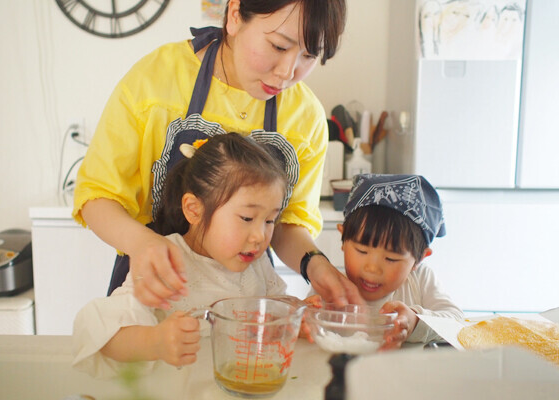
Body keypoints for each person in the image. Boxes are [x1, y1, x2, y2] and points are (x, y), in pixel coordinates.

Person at [72, 0, 360, 311]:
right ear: (235, 16)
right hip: (156, 287)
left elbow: (288, 223)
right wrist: (144, 245)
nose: (287, 73)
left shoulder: (305, 118)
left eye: (309, 55)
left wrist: (314, 264)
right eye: (278, 46)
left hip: (245, 296)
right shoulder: (155, 81)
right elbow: (97, 197)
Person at [73, 133, 300, 377]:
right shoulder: (167, 261)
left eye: (269, 220)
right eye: (247, 218)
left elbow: (276, 307)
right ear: (194, 209)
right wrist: (155, 342)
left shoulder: (257, 263)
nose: (259, 236)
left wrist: (296, 314)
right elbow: (96, 331)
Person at [333, 174, 463, 349]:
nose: (372, 268)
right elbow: (305, 320)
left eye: (391, 258)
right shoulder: (332, 285)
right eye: (362, 251)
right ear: (343, 238)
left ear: (419, 259)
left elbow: (456, 322)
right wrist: (306, 318)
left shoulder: (420, 280)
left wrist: (415, 321)